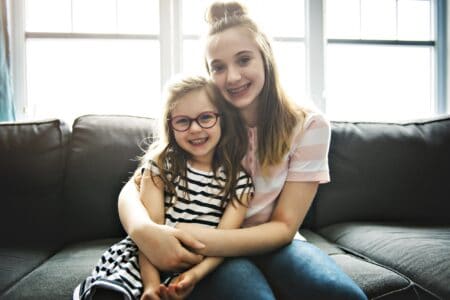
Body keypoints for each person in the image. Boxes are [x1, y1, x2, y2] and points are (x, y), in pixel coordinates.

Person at [119, 2, 368, 299]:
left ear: (265, 58)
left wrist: (195, 238)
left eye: (244, 60)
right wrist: (143, 230)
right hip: (214, 256)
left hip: (271, 244)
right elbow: (139, 182)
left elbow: (284, 227)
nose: (233, 77)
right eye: (219, 67)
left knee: (341, 295)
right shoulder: (205, 123)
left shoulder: (308, 126)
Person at [73, 75, 254, 300]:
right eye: (183, 121)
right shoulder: (160, 165)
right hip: (144, 259)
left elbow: (225, 243)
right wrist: (151, 285)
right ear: (170, 124)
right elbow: (150, 232)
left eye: (206, 117)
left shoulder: (240, 182)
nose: (195, 129)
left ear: (222, 119)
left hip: (197, 267)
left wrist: (194, 276)